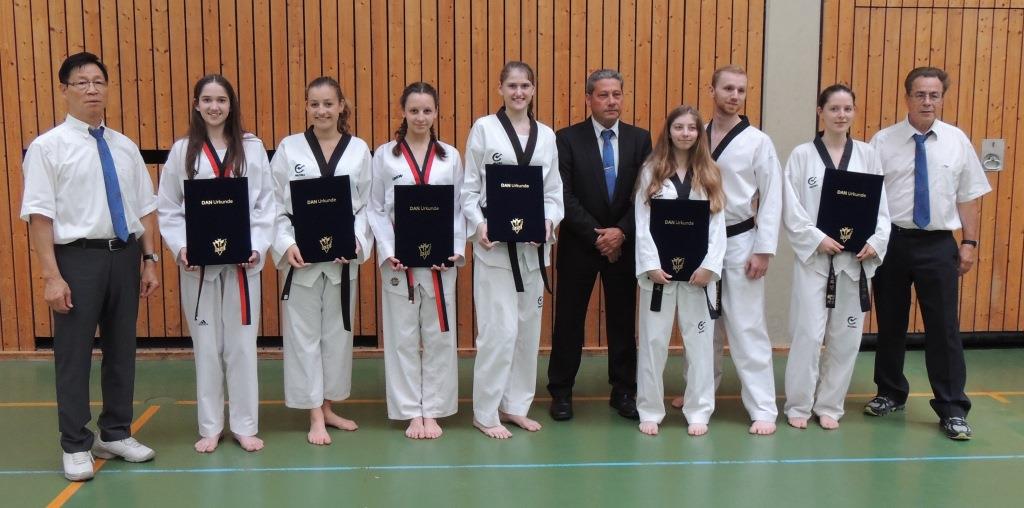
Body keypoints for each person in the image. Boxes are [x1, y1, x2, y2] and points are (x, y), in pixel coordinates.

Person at [21, 52, 159, 481]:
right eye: (82, 82)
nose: (92, 89)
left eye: (98, 81)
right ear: (64, 90)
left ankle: (115, 433)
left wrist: (150, 259)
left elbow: (144, 208)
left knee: (122, 350)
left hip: (125, 256)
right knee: (74, 355)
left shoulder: (125, 146)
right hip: (76, 259)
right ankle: (75, 443)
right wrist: (51, 275)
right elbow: (39, 216)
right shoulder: (48, 148)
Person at [865, 67, 990, 440]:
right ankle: (890, 393)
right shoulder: (882, 142)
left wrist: (969, 243)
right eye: (920, 94)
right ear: (907, 97)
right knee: (890, 323)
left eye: (934, 95)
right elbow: (868, 196)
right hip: (893, 242)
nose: (927, 102)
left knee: (944, 327)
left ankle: (952, 407)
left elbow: (967, 196)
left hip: (938, 244)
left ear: (942, 98)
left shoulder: (956, 141)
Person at [157, 74, 275, 453]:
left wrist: (257, 246)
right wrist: (181, 248)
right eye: (207, 100)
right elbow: (169, 207)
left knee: (242, 345)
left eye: (221, 100)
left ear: (231, 105)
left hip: (242, 263)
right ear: (196, 105)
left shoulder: (252, 148)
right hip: (200, 265)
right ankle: (210, 426)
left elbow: (266, 204)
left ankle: (244, 425)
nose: (214, 107)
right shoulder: (182, 151)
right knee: (206, 346)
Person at [672, 65, 783, 435]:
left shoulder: (758, 142)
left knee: (746, 325)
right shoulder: (695, 135)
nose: (735, 95)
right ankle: (698, 392)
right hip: (697, 240)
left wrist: (764, 249)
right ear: (712, 90)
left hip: (740, 240)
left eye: (741, 90)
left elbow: (772, 197)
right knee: (701, 325)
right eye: (728, 88)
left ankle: (762, 406)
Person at [462, 61, 564, 439]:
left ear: (533, 90)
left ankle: (515, 406)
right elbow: (470, 189)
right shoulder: (484, 129)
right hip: (495, 247)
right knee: (498, 331)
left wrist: (548, 224)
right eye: (512, 86)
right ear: (500, 90)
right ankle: (485, 412)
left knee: (526, 331)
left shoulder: (546, 136)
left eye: (525, 86)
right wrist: (479, 225)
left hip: (532, 248)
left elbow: (553, 192)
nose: (519, 92)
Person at [270, 77, 372, 445]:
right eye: (314, 104)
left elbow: (367, 206)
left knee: (337, 337)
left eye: (329, 103)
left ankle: (327, 406)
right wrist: (285, 244)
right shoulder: (289, 148)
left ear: (341, 105)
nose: (322, 110)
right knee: (303, 338)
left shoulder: (358, 149)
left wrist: (357, 241)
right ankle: (314, 414)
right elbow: (274, 205)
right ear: (306, 106)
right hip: (303, 260)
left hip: (342, 258)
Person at [781, 84, 890, 430]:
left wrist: (876, 242)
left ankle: (830, 404)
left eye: (847, 109)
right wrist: (816, 238)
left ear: (854, 112)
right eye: (834, 109)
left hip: (855, 261)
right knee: (808, 335)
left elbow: (881, 207)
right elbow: (791, 208)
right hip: (816, 260)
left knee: (846, 337)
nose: (841, 115)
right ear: (821, 112)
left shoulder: (868, 155)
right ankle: (799, 404)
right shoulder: (802, 156)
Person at [547, 69, 652, 421]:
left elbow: (646, 193)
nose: (611, 101)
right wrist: (598, 236)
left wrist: (620, 232)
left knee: (622, 320)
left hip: (623, 245)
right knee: (569, 321)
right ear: (589, 98)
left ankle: (623, 390)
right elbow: (563, 194)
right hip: (580, 244)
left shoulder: (640, 139)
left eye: (616, 94)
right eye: (604, 95)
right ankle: (561, 391)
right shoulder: (567, 139)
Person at [368, 82, 465, 439]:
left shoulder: (450, 156)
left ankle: (434, 409)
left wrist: (453, 249)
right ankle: (411, 411)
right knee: (402, 337)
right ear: (403, 112)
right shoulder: (385, 156)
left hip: (440, 261)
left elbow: (459, 208)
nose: (420, 117)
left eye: (427, 110)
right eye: (414, 110)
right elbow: (376, 208)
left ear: (436, 112)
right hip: (400, 261)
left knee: (439, 335)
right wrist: (389, 250)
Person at [634, 106, 726, 437]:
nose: (685, 133)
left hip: (698, 276)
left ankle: (699, 409)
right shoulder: (652, 170)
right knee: (653, 343)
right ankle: (649, 409)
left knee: (699, 345)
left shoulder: (710, 172)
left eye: (691, 128)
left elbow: (718, 226)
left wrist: (709, 266)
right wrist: (650, 264)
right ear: (668, 131)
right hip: (659, 275)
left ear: (699, 134)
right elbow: (642, 221)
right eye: (679, 127)